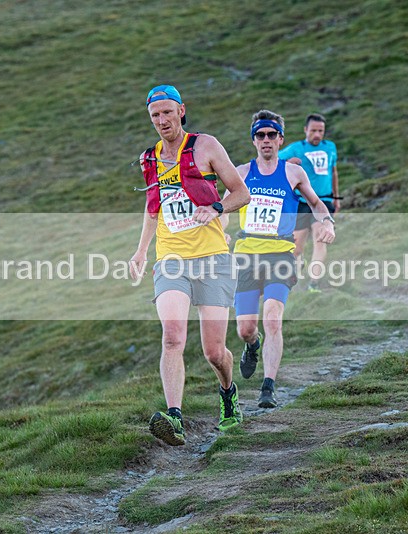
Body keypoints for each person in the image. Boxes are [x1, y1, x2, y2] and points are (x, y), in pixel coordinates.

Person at [129, 85, 250, 446]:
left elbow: (241, 193)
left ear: (182, 110)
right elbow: (154, 208)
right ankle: (174, 418)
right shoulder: (148, 159)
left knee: (214, 352)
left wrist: (215, 208)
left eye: (167, 112)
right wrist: (140, 252)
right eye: (155, 115)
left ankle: (228, 393)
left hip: (212, 256)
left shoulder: (205, 146)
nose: (162, 120)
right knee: (172, 336)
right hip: (170, 259)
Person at [221, 110, 335, 408]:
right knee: (245, 329)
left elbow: (316, 202)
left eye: (272, 135)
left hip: (280, 254)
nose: (267, 140)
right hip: (246, 256)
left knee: (273, 317)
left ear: (281, 139)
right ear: (254, 141)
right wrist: (221, 233)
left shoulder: (293, 173)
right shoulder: (241, 173)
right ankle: (252, 346)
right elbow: (222, 208)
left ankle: (268, 386)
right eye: (261, 135)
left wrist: (327, 223)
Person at [278, 113, 340, 292]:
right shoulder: (296, 148)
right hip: (301, 203)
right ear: (306, 130)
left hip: (324, 201)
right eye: (313, 131)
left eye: (320, 131)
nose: (317, 135)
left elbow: (333, 172)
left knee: (320, 241)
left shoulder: (330, 147)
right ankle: (299, 267)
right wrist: (289, 163)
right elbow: (273, 162)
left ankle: (314, 284)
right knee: (296, 248)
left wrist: (336, 197)